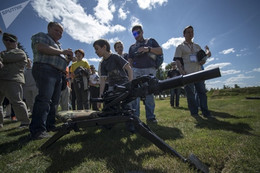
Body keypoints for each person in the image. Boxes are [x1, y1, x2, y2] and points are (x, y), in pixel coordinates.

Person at [29, 22, 73, 139]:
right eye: (56, 30)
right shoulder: (42, 36)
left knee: (54, 102)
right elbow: (41, 48)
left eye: (61, 32)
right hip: (45, 69)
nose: (59, 33)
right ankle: (37, 130)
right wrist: (63, 52)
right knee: (44, 99)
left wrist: (68, 59)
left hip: (58, 73)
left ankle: (50, 125)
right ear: (49, 28)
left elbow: (62, 61)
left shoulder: (58, 45)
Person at [93, 39, 134, 131]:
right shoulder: (103, 63)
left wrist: (130, 83)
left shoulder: (115, 57)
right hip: (112, 86)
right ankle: (108, 124)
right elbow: (103, 80)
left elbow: (129, 69)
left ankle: (130, 124)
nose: (96, 52)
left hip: (123, 84)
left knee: (126, 105)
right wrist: (100, 96)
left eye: (97, 49)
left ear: (104, 47)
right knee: (109, 104)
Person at [173, 25, 211, 118]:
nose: (191, 34)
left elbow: (203, 57)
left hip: (199, 72)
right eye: (188, 32)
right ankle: (194, 113)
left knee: (202, 93)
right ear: (184, 34)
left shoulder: (197, 46)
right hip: (187, 74)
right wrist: (181, 70)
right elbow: (177, 60)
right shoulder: (180, 47)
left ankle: (206, 113)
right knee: (190, 95)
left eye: (192, 32)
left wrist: (204, 60)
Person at [128, 25, 163, 123]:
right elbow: (130, 60)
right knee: (135, 95)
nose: (136, 35)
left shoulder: (150, 41)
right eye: (134, 34)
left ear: (142, 32)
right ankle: (135, 118)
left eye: (138, 32)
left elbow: (160, 51)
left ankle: (150, 117)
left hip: (149, 70)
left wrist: (148, 49)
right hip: (136, 70)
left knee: (149, 94)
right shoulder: (132, 47)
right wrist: (130, 72)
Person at [0, 32, 30, 128]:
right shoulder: (3, 53)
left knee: (17, 101)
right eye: (6, 40)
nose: (8, 42)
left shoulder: (19, 53)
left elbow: (6, 58)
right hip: (1, 80)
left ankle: (25, 121)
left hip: (13, 80)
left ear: (16, 43)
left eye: (11, 41)